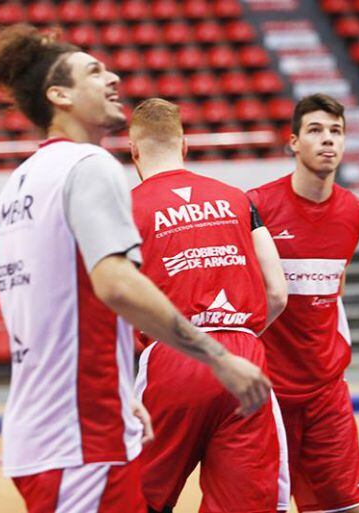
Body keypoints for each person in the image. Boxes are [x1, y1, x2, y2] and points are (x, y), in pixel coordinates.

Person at [0, 24, 271, 512]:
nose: (113, 77)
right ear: (60, 96)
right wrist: (218, 357)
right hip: (82, 435)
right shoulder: (90, 165)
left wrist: (123, 391)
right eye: (94, 72)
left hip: (43, 427)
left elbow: (54, 302)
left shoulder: (21, 181)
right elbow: (116, 285)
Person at [128, 98, 290, 513]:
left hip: (172, 355)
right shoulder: (237, 199)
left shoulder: (125, 206)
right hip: (244, 357)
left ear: (133, 151)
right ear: (185, 146)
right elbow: (277, 292)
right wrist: (235, 332)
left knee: (139, 498)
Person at [247, 93, 359, 513]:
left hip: (326, 391)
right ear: (294, 142)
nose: (327, 140)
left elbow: (337, 282)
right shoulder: (257, 206)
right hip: (269, 393)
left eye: (336, 131)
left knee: (343, 508)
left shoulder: (354, 211)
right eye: (315, 130)